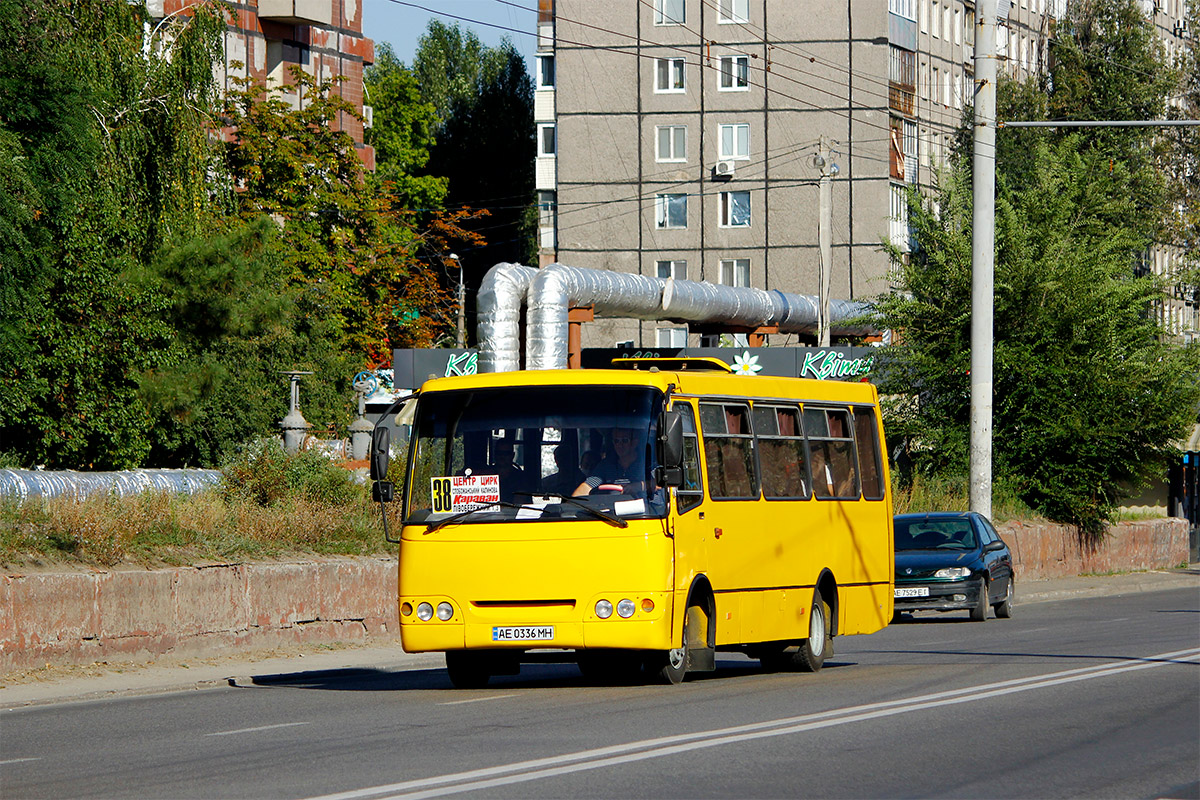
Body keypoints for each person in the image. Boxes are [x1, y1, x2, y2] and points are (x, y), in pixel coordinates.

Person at [573, 427, 646, 497]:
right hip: (610, 508)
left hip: (644, 508)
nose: (619, 445)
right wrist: (573, 504)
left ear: (635, 442)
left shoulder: (647, 464)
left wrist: (639, 486)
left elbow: (656, 484)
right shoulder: (606, 466)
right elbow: (587, 486)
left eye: (625, 440)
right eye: (616, 441)